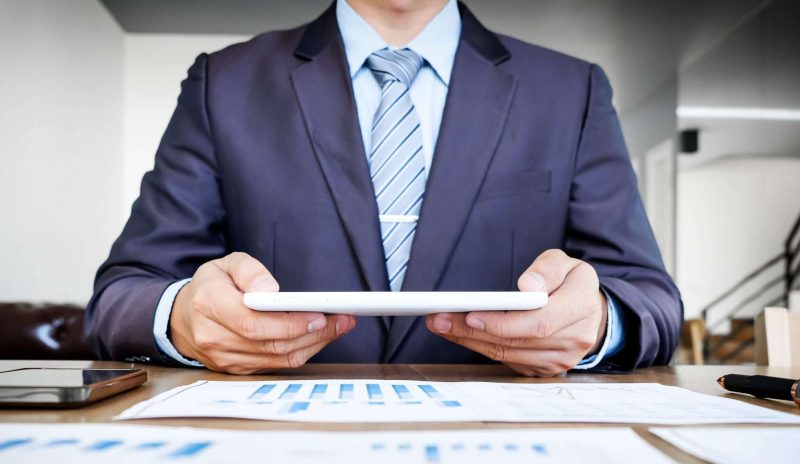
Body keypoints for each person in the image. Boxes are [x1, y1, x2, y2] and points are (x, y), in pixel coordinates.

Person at [86, 0, 683, 376]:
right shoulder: (225, 81)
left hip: (508, 446)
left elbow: (652, 300)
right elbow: (121, 296)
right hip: (276, 445)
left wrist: (600, 324)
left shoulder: (569, 90)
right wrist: (184, 318)